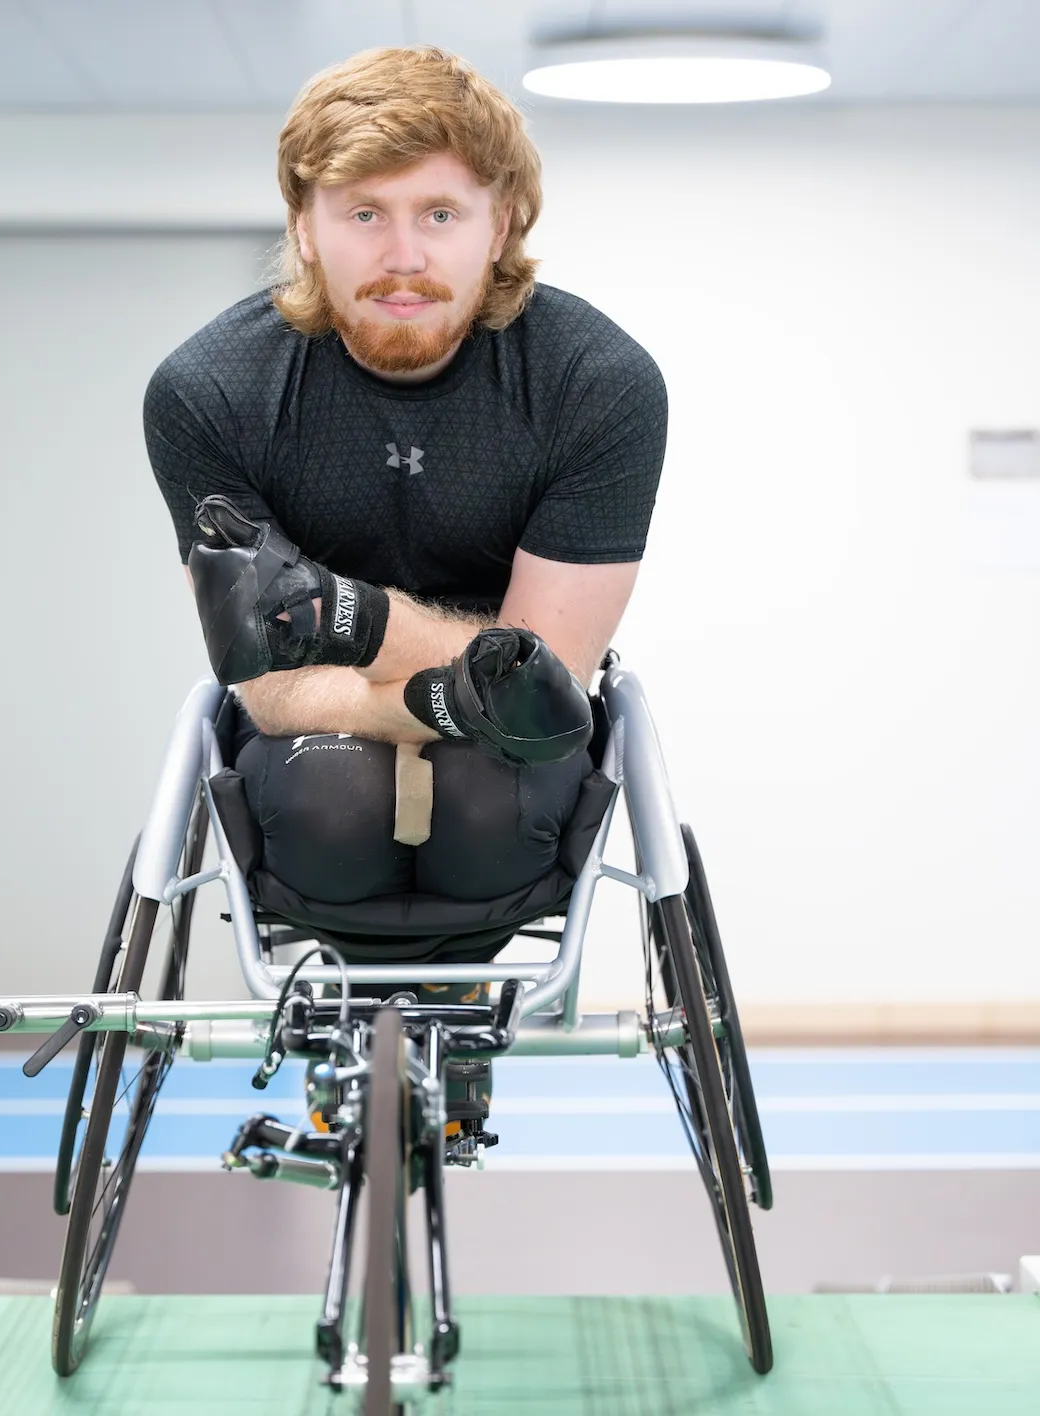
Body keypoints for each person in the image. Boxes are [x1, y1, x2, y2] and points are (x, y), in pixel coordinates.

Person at [143, 47, 668, 1042]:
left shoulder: (597, 385)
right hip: (305, 789)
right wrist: (448, 693)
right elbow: (271, 689)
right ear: (303, 223)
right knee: (334, 794)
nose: (402, 255)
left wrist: (362, 621)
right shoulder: (207, 391)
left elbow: (543, 680)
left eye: (438, 213)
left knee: (479, 798)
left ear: (498, 222)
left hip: (514, 799)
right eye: (363, 213)